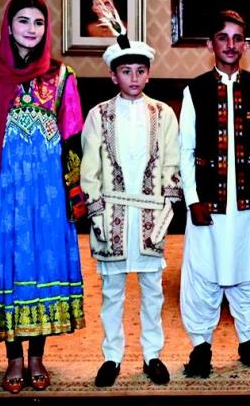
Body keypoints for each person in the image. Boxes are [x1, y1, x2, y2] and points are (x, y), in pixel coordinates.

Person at [0, 0, 86, 394]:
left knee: (42, 267)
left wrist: (76, 194)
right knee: (8, 266)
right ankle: (13, 359)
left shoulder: (63, 77)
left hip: (48, 194)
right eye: (23, 20)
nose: (31, 29)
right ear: (8, 26)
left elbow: (73, 138)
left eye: (39, 22)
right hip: (4, 191)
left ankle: (38, 357)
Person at [178, 10, 250, 378]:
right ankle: (200, 346)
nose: (231, 44)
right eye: (223, 37)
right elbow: (185, 150)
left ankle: (249, 340)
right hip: (208, 202)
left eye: (237, 38)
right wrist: (192, 199)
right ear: (211, 44)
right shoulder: (194, 90)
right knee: (203, 270)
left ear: (245, 45)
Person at [80, 33, 180, 387]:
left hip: (150, 214)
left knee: (153, 289)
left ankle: (153, 354)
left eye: (140, 70)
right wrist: (96, 212)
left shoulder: (163, 114)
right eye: (126, 71)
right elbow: (89, 168)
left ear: (149, 74)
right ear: (113, 75)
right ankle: (112, 356)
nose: (134, 77)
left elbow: (171, 162)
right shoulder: (98, 115)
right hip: (112, 216)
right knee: (112, 290)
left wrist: (167, 205)